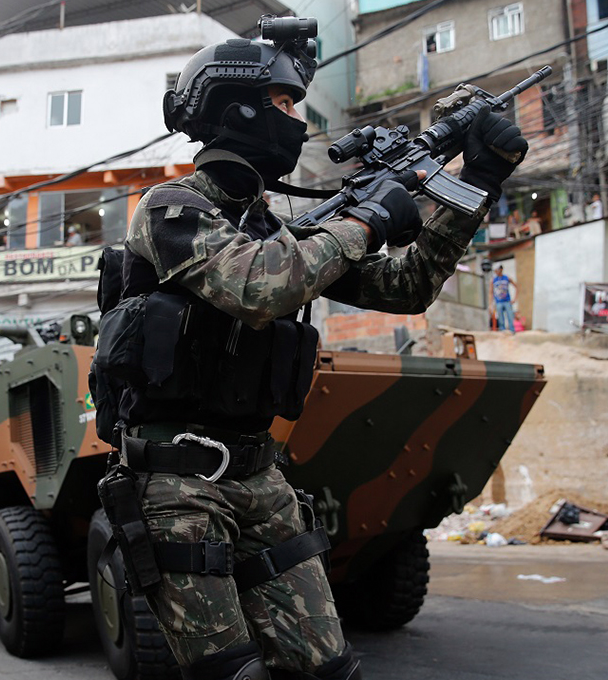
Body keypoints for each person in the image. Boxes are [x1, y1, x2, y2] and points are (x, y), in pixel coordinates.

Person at [96, 17, 528, 680]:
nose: (295, 119)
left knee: (329, 669)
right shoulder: (170, 208)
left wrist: (478, 180)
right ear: (233, 109)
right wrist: (366, 217)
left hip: (260, 474)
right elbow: (257, 287)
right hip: (177, 484)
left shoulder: (280, 227)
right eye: (282, 102)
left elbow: (408, 285)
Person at [492, 265, 517, 332]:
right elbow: (490, 292)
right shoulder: (493, 280)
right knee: (500, 318)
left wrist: (514, 299)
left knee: (510, 316)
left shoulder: (506, 278)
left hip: (507, 301)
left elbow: (516, 287)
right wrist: (491, 303)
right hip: (498, 301)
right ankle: (502, 331)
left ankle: (512, 331)